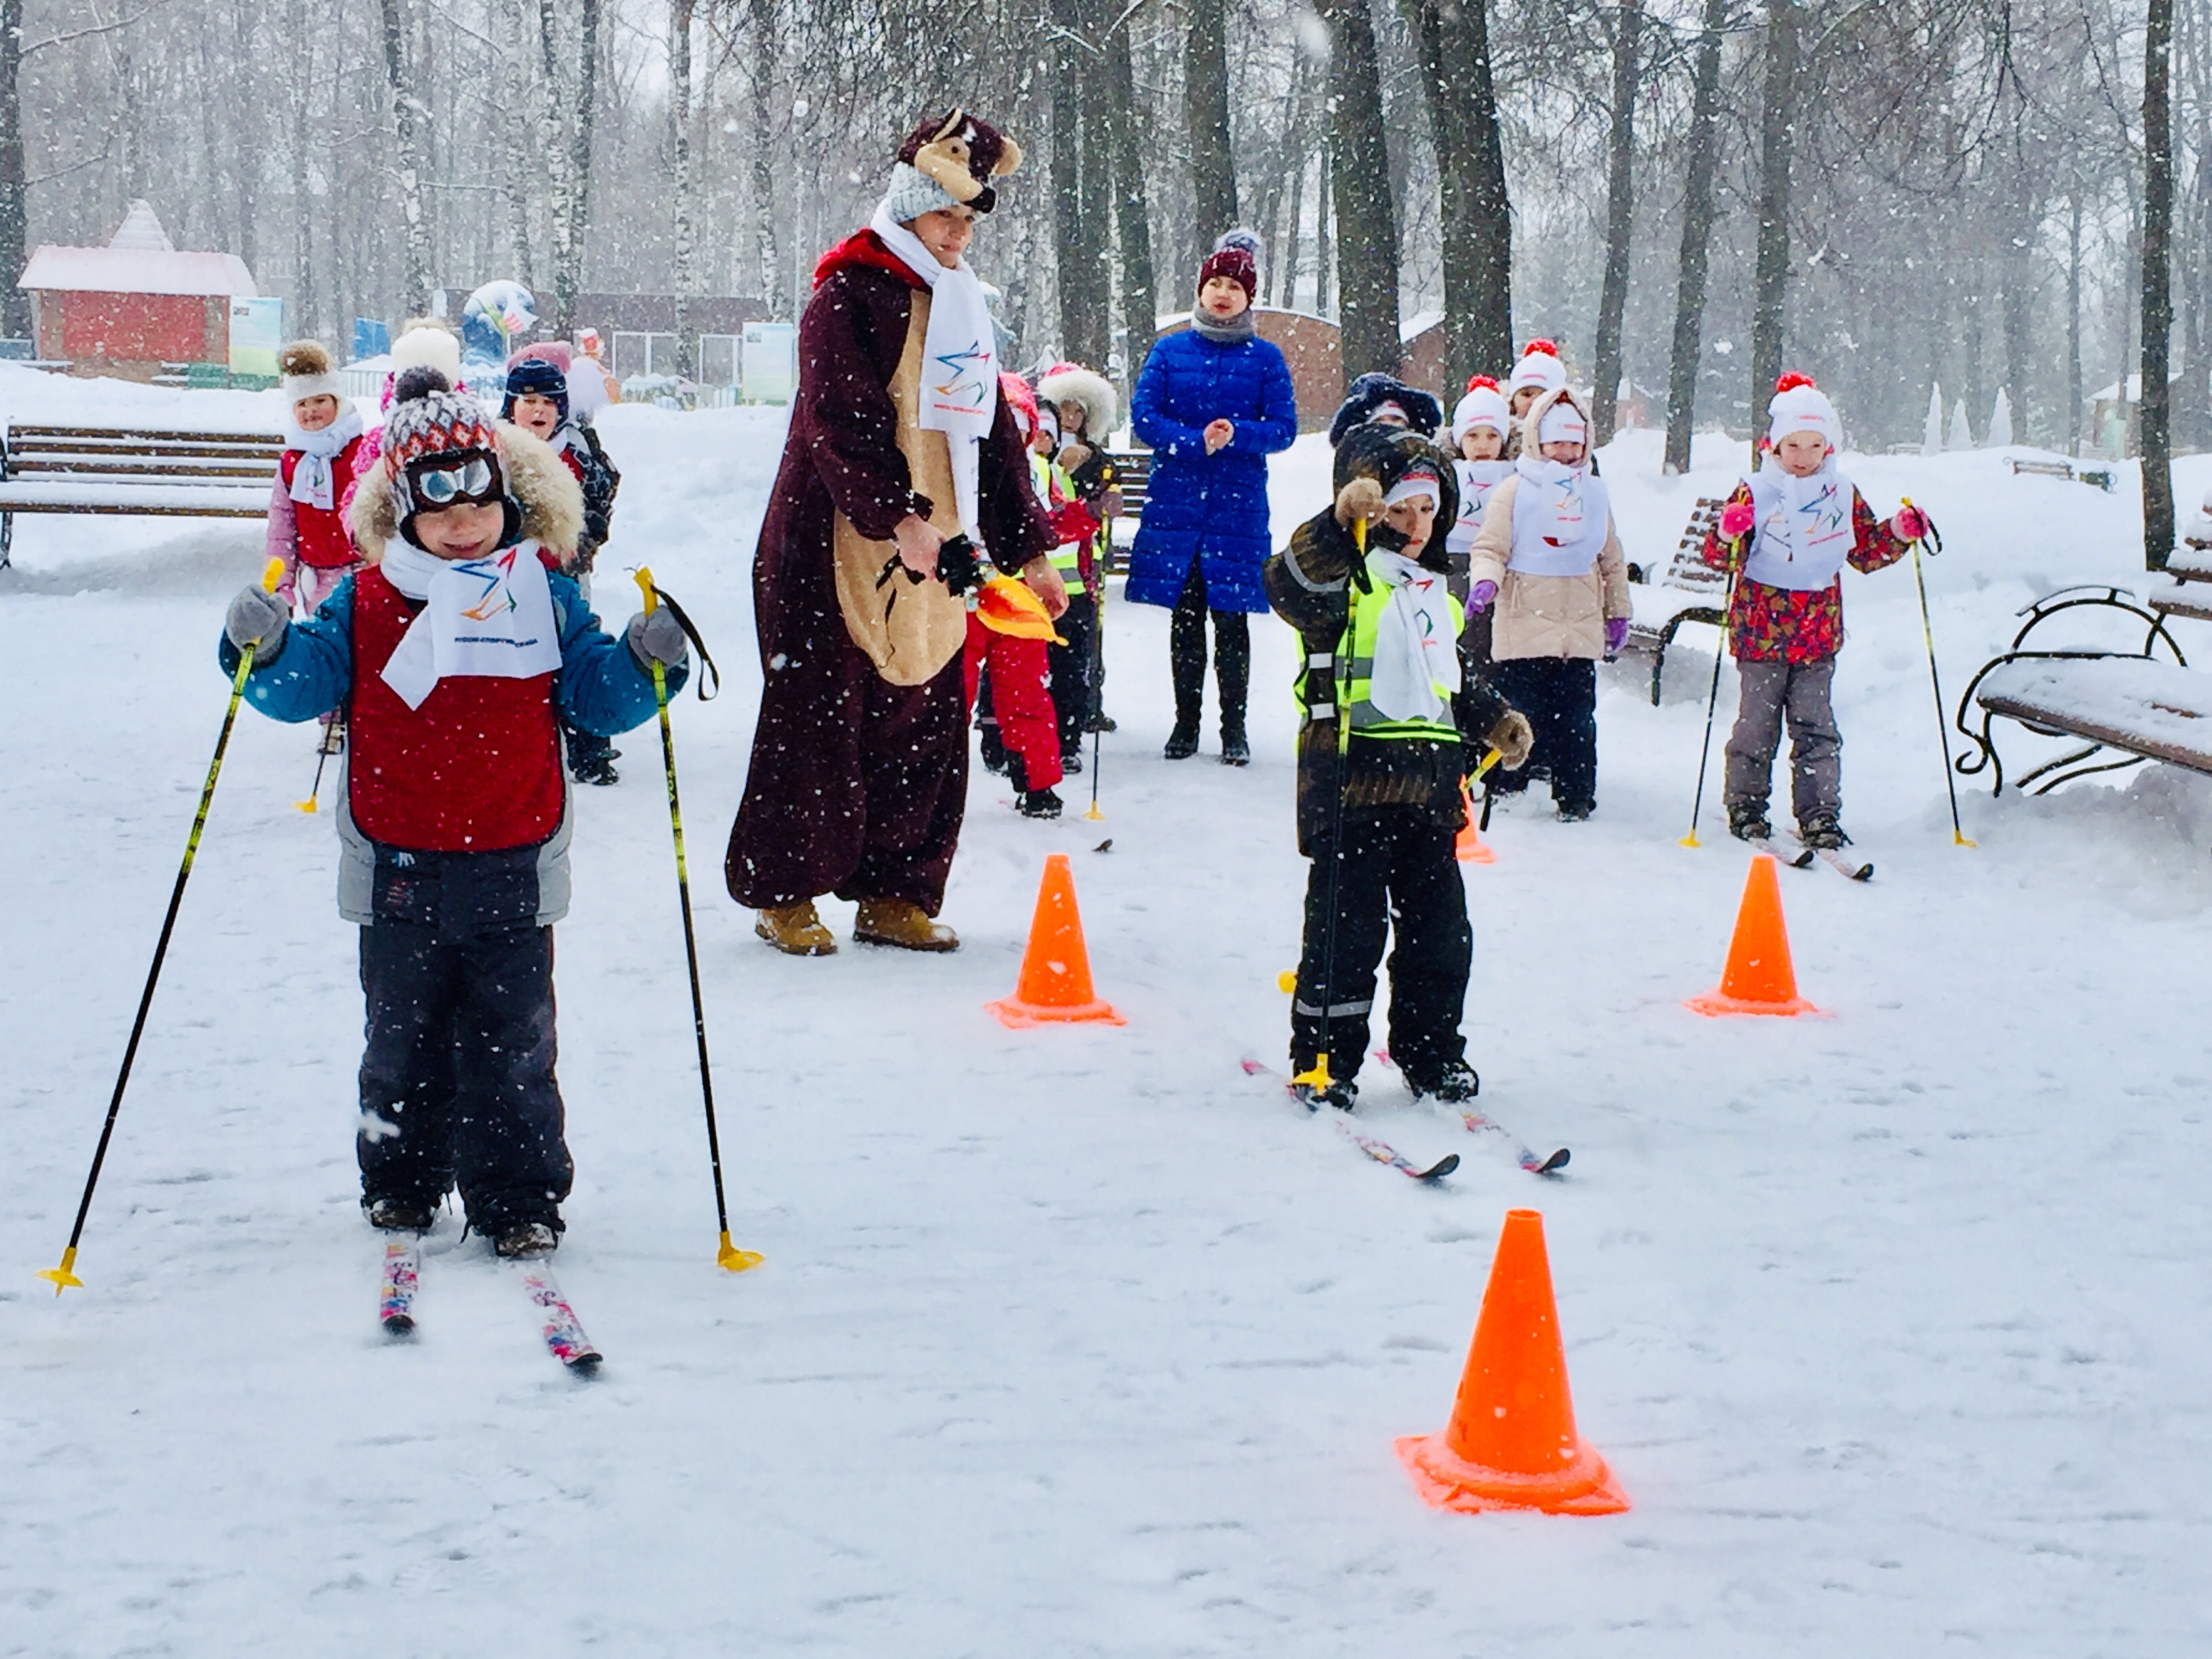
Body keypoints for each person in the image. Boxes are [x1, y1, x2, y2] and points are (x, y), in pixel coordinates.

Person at [214, 375, 688, 1257]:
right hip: (399, 867)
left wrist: (643, 662)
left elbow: (593, 694)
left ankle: (517, 1199)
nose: (463, 517)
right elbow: (302, 685)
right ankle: (402, 1182)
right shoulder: (366, 600)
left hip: (512, 859)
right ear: (403, 507)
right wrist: (263, 647)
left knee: (514, 1051)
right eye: (439, 498)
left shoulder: (542, 592)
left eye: (481, 493)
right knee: (403, 1045)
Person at [724, 106, 1058, 957]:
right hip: (828, 541)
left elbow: (993, 433)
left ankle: (895, 890)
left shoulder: (960, 307)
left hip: (939, 547)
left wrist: (1029, 547)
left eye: (968, 221)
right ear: (909, 208)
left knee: (923, 714)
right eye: (946, 217)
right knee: (817, 720)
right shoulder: (846, 295)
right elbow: (840, 425)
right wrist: (894, 515)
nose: (959, 236)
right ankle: (787, 890)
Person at [1263, 424, 1532, 1111]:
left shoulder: (1433, 596)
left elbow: (1459, 683)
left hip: (1431, 796)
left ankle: (1433, 1053)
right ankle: (1325, 1059)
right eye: (1400, 510)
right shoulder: (1346, 583)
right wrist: (1339, 521)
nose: (1415, 526)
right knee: (1343, 936)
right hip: (1352, 785)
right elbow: (1288, 581)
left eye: (1427, 511)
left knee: (1442, 938)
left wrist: (1498, 719)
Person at [1702, 373, 1919, 850]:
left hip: (1817, 637)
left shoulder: (1841, 494)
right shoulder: (1755, 491)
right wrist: (1727, 533)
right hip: (1760, 635)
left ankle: (1819, 813)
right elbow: (1719, 559)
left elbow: (1864, 551)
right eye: (1792, 445)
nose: (1802, 457)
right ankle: (1746, 804)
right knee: (1756, 726)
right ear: (1774, 447)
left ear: (1830, 447)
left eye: (1813, 445)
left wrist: (1900, 533)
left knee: (1816, 729)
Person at [1126, 228, 1298, 764]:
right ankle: (1184, 725)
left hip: (1237, 508)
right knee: (1185, 620)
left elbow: (1285, 428)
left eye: (1235, 286)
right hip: (1177, 504)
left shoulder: (1266, 358)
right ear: (1201, 291)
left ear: (1250, 298)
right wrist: (1190, 442)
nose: (1223, 293)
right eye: (1215, 283)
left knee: (1232, 623)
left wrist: (1239, 435)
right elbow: (1145, 418)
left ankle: (1234, 729)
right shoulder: (1169, 350)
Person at [1465, 386, 1630, 821]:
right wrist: (1485, 584)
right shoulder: (1515, 490)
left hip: (1578, 630)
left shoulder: (1594, 494)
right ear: (1538, 440)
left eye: (1574, 442)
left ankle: (1576, 793)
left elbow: (1611, 558)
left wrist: (1618, 612)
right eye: (1556, 441)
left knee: (1577, 721)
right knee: (1519, 712)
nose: (1564, 451)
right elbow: (1490, 547)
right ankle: (1506, 782)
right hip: (1524, 626)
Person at [505, 348, 626, 785]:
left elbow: (600, 500)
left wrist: (585, 540)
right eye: (528, 401)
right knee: (516, 662)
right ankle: (517, 744)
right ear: (511, 407)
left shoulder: (577, 449)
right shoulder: (497, 450)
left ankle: (589, 747)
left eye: (548, 402)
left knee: (574, 656)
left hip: (566, 575)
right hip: (508, 579)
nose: (538, 410)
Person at [963, 375, 1075, 819]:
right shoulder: (953, 462)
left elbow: (1055, 518)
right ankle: (932, 781)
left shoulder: (1031, 471)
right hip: (965, 589)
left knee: (1026, 691)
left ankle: (1038, 782)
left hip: (1018, 594)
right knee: (953, 691)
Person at [1038, 359, 1122, 764]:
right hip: (1033, 575)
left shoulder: (1097, 459)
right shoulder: (1033, 455)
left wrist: (1088, 465)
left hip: (1080, 576)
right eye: (1064, 409)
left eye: (1078, 412)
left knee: (1076, 658)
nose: (1070, 419)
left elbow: (1106, 502)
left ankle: (1075, 726)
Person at [1504, 340, 1568, 450]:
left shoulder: (1574, 443)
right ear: (1512, 402)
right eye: (1527, 395)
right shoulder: (1498, 442)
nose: (1535, 402)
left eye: (1545, 396)